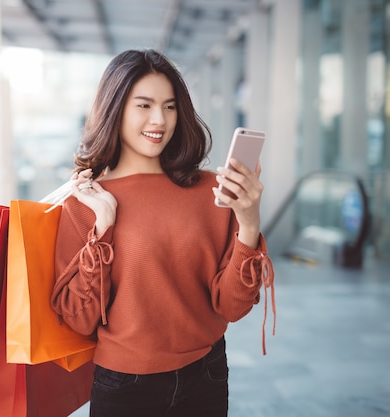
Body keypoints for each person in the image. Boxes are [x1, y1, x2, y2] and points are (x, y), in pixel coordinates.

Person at [50, 49, 275, 417]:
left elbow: (231, 307)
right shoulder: (85, 202)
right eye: (144, 105)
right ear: (115, 108)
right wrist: (103, 229)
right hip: (124, 386)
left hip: (206, 374)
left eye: (170, 107)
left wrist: (248, 222)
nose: (159, 120)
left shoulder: (212, 191)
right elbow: (78, 318)